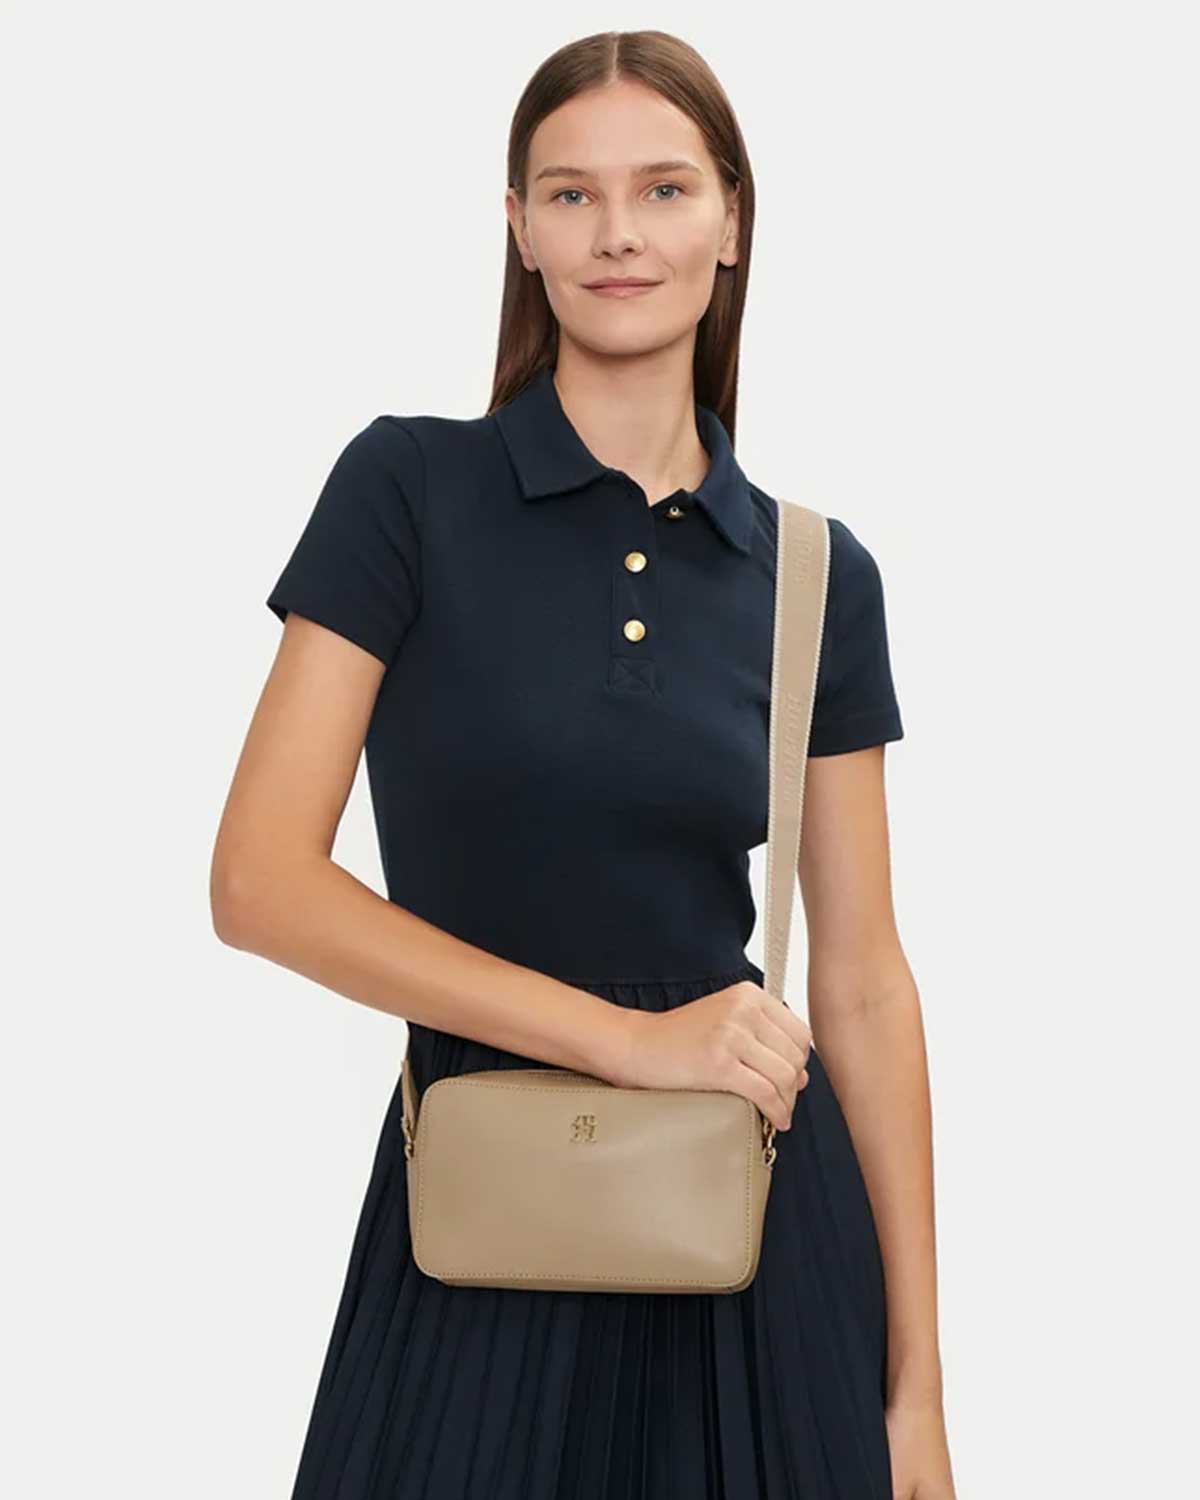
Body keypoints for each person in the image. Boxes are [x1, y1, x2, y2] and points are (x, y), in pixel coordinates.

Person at [211, 28, 956, 1500]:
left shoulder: (818, 575)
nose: (619, 233)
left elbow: (867, 983)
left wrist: (918, 1385)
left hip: (759, 1244)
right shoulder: (406, 491)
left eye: (665, 189)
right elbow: (260, 883)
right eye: (572, 194)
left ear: (732, 221)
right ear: (521, 229)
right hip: (477, 1217)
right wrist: (625, 1039)